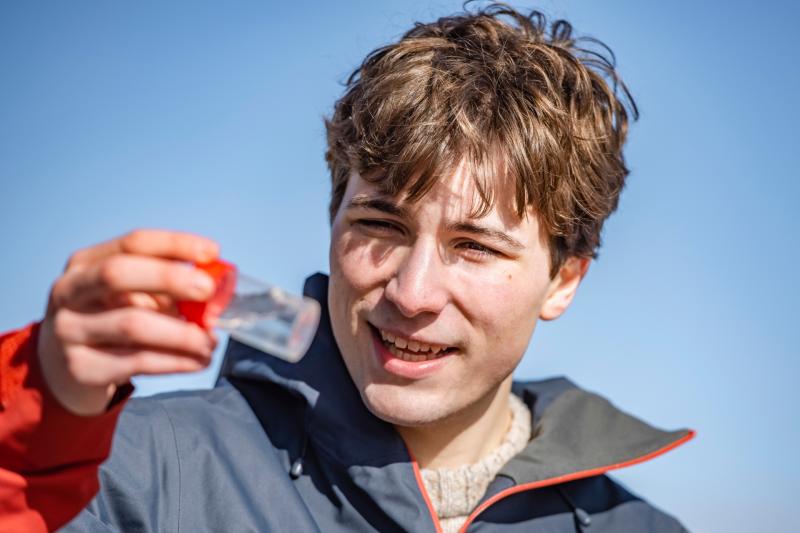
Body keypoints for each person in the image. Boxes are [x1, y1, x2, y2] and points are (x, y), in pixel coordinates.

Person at [0, 4, 694, 532]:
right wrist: (38, 419)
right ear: (332, 218)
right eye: (380, 225)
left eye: (474, 246)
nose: (412, 292)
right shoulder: (138, 473)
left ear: (564, 277)